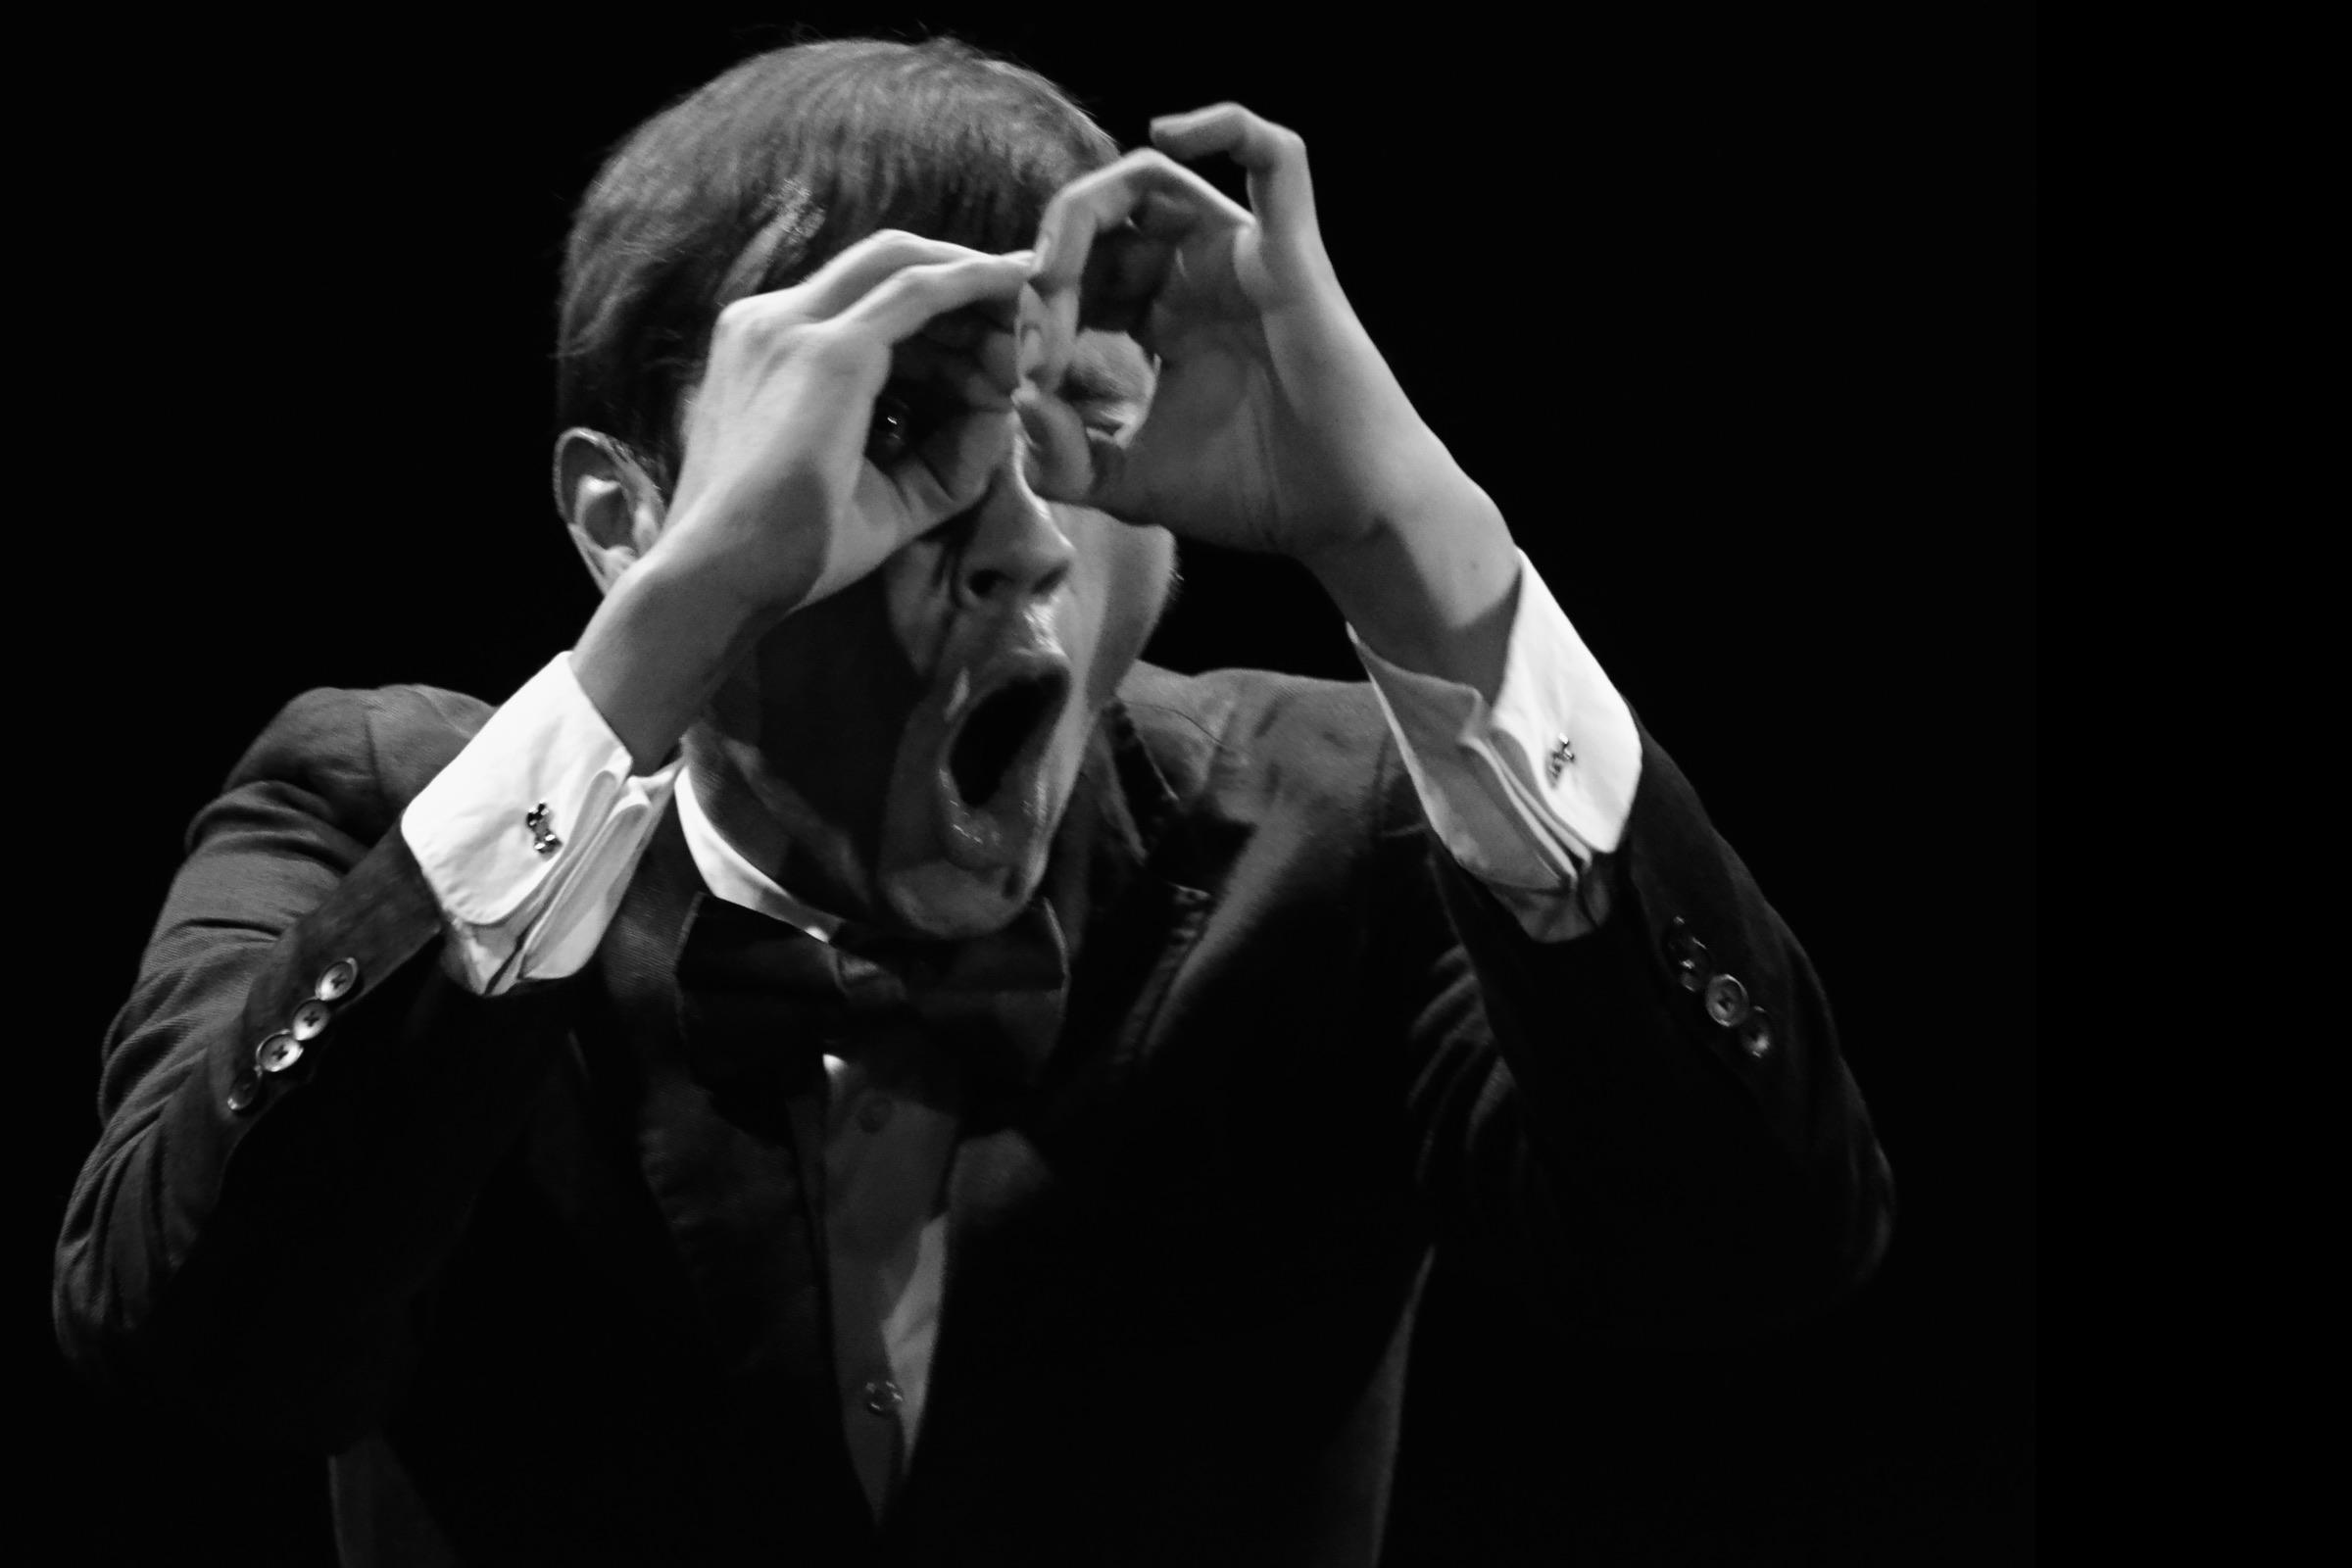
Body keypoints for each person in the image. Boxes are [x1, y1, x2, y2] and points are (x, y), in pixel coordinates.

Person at [54, 35, 1893, 1568]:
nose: (1021, 539)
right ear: (625, 512)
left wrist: (1409, 535)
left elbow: (1748, 1250)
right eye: (888, 430)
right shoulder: (368, 799)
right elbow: (196, 1348)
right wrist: (677, 622)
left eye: (1078, 425)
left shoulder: (1351, 832)